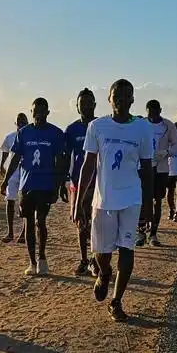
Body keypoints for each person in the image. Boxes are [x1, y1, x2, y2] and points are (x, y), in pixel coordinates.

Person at [73, 79, 154, 321]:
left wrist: (148, 204)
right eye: (116, 95)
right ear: (109, 99)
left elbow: (147, 168)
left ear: (132, 99)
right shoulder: (98, 127)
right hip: (104, 200)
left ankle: (116, 301)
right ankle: (104, 273)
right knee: (101, 253)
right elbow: (88, 165)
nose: (120, 99)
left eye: (125, 95)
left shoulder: (142, 128)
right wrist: (79, 203)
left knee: (127, 250)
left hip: (131, 199)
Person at [2, 98, 67, 276]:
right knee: (28, 222)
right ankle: (32, 262)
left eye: (41, 111)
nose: (38, 114)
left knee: (41, 222)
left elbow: (60, 161)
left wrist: (58, 186)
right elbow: (15, 158)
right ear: (31, 113)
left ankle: (42, 258)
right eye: (35, 111)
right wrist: (6, 179)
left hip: (46, 185)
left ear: (47, 112)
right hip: (27, 185)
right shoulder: (24, 133)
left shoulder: (55, 133)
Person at [64, 89, 98, 277]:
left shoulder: (101, 126)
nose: (85, 106)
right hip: (77, 183)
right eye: (81, 103)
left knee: (97, 223)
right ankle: (84, 260)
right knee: (80, 222)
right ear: (77, 106)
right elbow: (64, 156)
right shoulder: (71, 130)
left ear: (94, 104)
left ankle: (96, 259)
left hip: (99, 183)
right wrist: (63, 181)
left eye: (88, 102)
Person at [143, 100, 177, 245]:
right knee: (143, 199)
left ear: (160, 110)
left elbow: (176, 144)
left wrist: (166, 152)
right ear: (146, 111)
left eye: (155, 112)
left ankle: (153, 234)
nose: (152, 115)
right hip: (144, 167)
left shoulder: (168, 125)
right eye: (149, 112)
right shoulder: (141, 124)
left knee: (158, 200)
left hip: (161, 168)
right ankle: (141, 231)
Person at [0, 113, 29, 244]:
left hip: (26, 172)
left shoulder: (30, 135)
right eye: (19, 121)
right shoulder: (10, 137)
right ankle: (10, 232)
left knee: (25, 203)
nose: (21, 123)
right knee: (10, 201)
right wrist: (1, 166)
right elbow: (5, 153)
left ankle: (24, 232)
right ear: (15, 123)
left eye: (24, 121)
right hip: (12, 173)